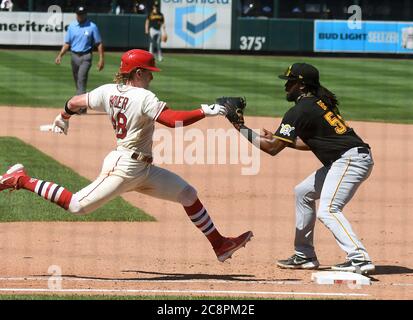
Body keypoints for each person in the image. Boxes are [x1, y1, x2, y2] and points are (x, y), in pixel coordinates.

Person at [0, 49, 253, 263]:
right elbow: (172, 121)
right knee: (77, 205)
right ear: (139, 73)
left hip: (143, 170)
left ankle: (219, 244)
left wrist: (64, 116)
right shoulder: (144, 96)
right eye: (149, 74)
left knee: (188, 194)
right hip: (123, 168)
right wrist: (207, 110)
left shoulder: (108, 91)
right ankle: (21, 179)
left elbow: (76, 101)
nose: (152, 79)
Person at [229, 63, 375, 274]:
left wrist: (241, 128)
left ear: (302, 85)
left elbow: (272, 149)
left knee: (328, 209)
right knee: (303, 192)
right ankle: (304, 255)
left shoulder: (299, 110)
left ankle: (359, 258)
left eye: (290, 82)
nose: (286, 86)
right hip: (349, 159)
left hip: (350, 161)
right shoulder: (318, 104)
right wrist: (282, 139)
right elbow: (310, 143)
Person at [55, 6, 105, 114]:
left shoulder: (92, 26)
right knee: (77, 82)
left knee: (81, 80)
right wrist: (60, 55)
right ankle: (80, 104)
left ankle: (81, 108)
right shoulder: (72, 26)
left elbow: (99, 43)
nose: (80, 16)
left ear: (85, 14)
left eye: (82, 14)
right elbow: (67, 43)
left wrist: (101, 59)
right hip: (74, 56)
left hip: (86, 56)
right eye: (78, 14)